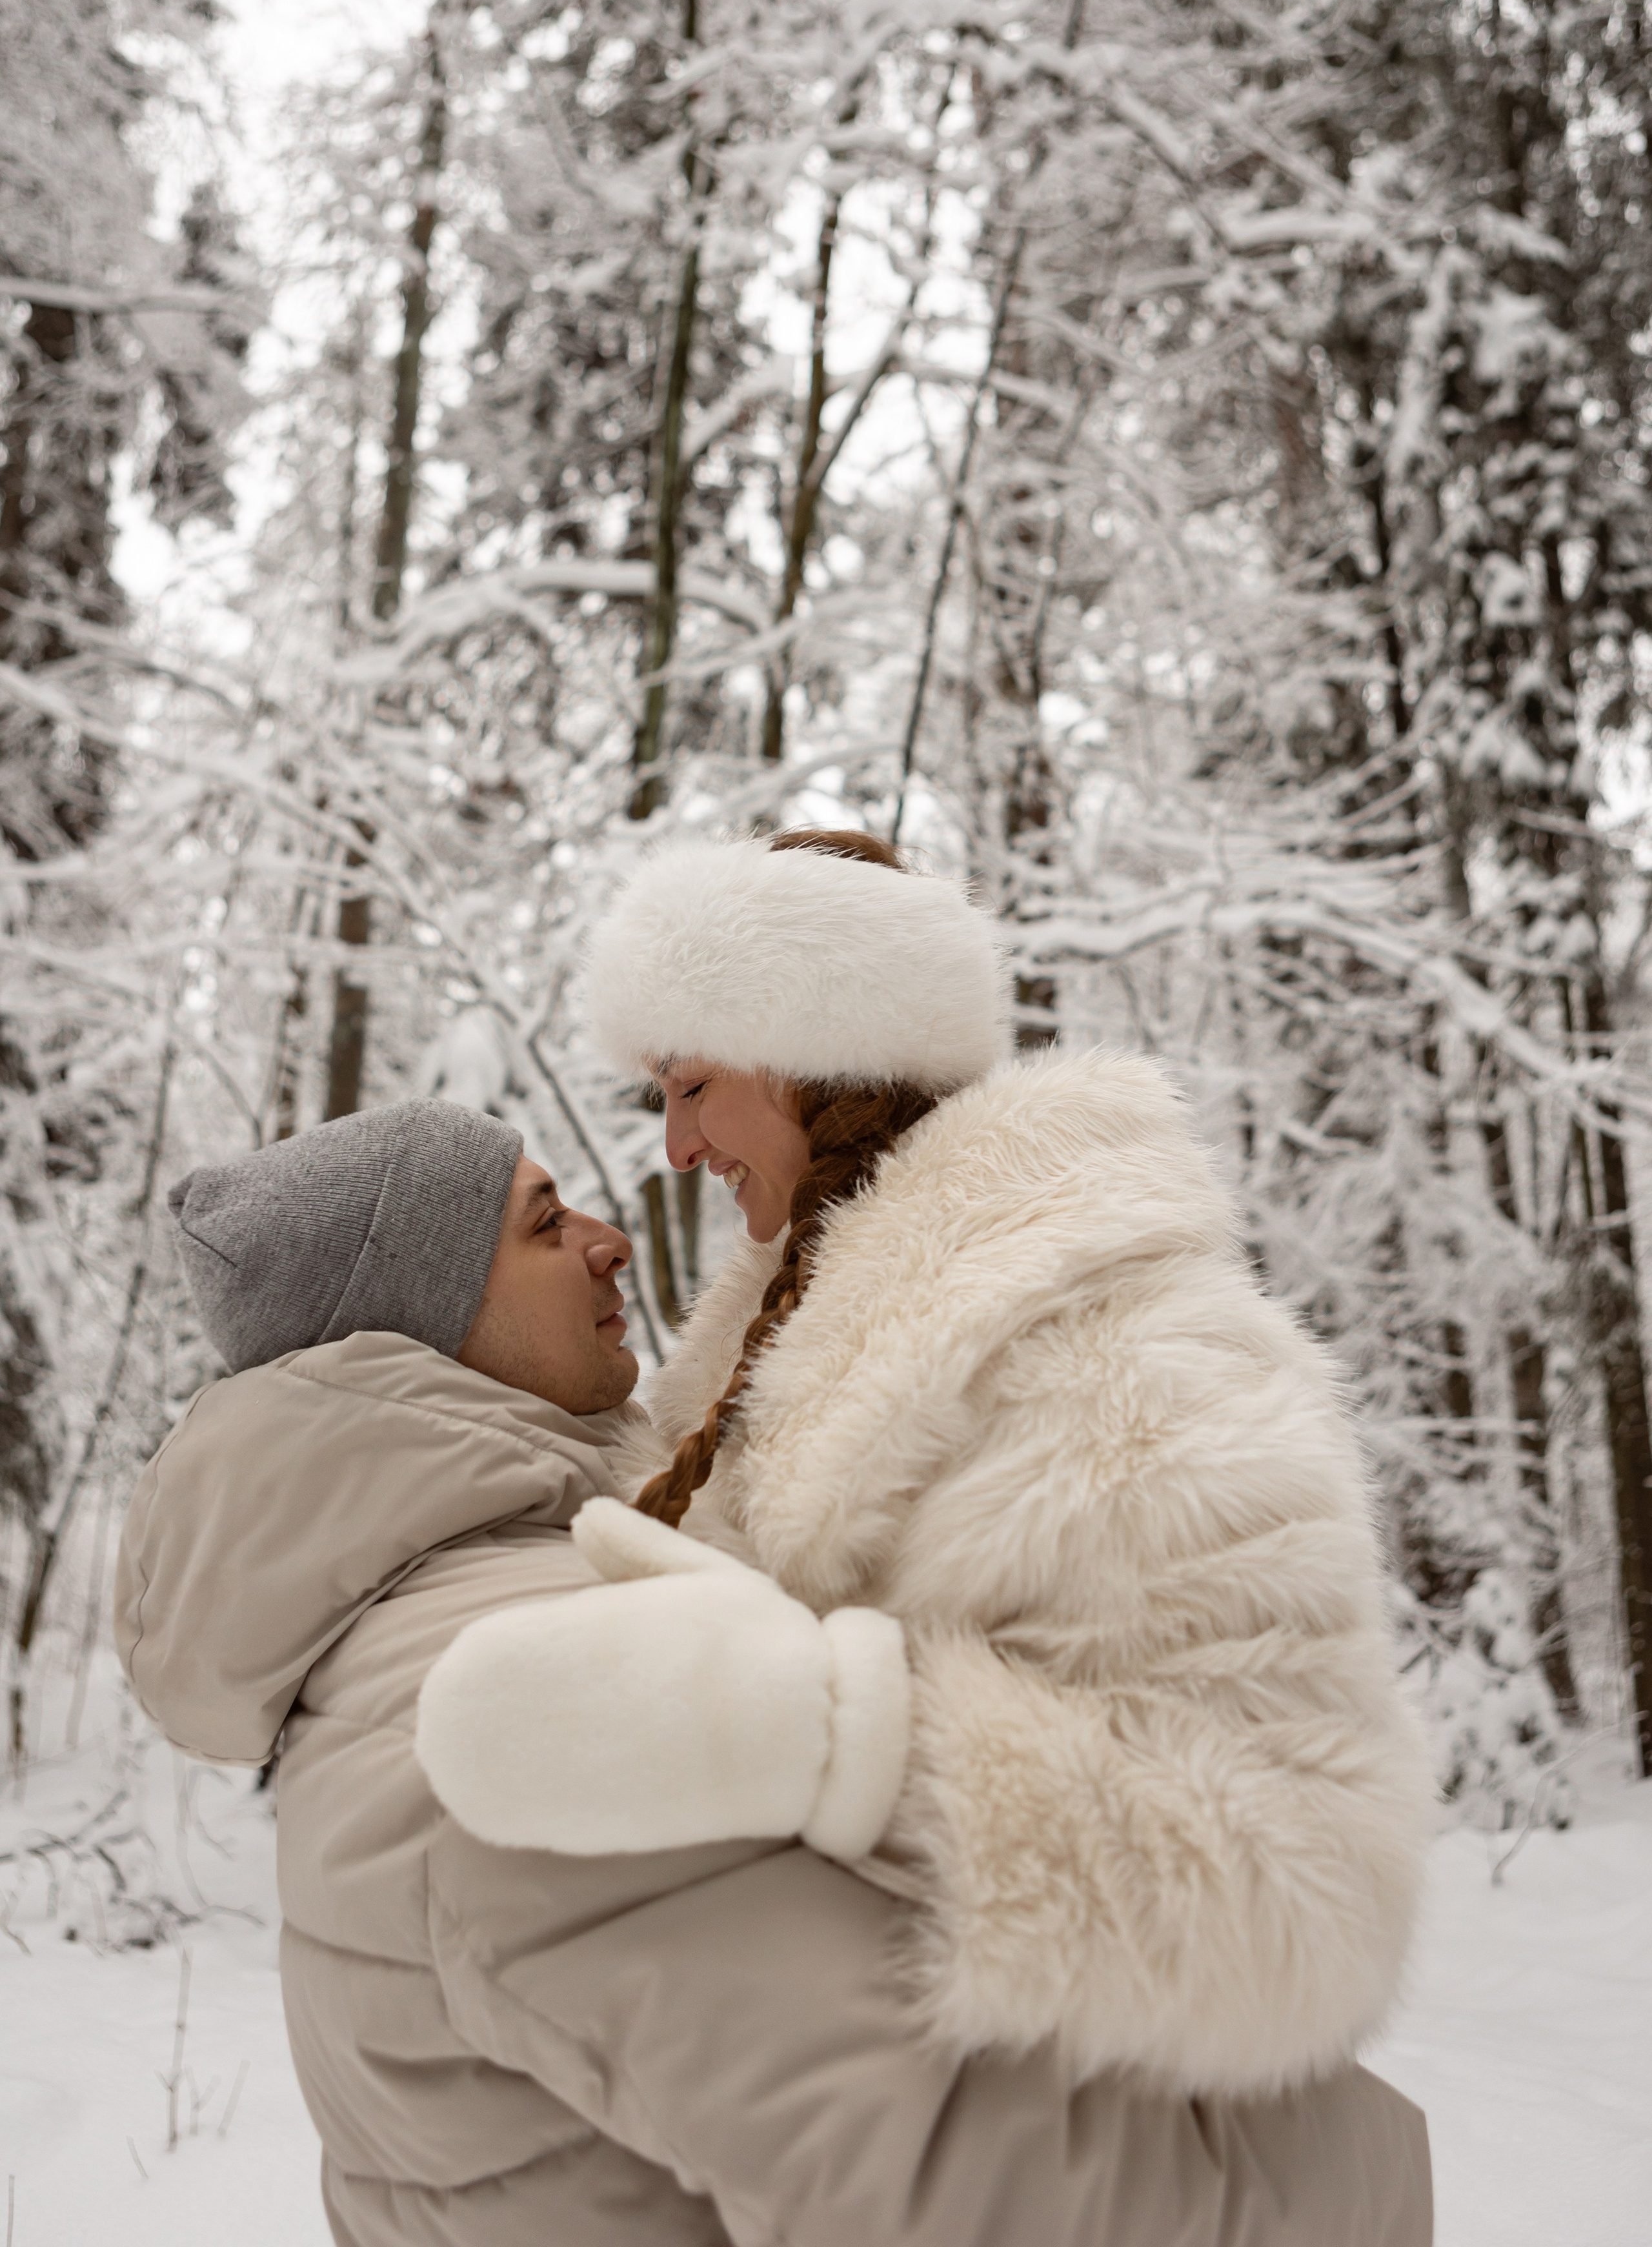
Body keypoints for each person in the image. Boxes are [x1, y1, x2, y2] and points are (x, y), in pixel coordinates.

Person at [115, 1093, 1433, 2246]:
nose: (608, 1235)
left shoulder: (443, 1626)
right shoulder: (514, 1696)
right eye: (539, 1223)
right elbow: (984, 2191)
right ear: (413, 1331)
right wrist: (1375, 2166)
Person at [419, 827, 1436, 2106]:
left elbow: (1311, 1889)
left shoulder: (1125, 1342)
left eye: (689, 1087)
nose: (674, 1150)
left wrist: (828, 1739)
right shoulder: (770, 1343)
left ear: (809, 1054)